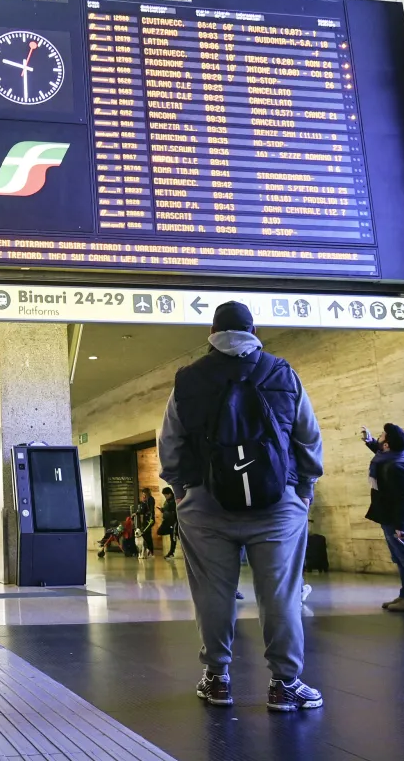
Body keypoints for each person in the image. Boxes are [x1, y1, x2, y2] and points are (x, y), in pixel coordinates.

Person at [159, 301, 324, 712]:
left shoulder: (188, 378)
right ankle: (284, 684)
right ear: (254, 331)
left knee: (213, 593)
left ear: (211, 334)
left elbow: (170, 441)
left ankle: (217, 679)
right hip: (277, 504)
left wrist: (180, 489)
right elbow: (307, 435)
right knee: (280, 594)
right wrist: (305, 487)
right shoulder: (282, 372)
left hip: (205, 505)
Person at [362, 423, 404, 613]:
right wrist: (370, 441)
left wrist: (400, 526)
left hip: (397, 520)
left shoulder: (395, 467)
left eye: (381, 437)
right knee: (399, 558)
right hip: (390, 517)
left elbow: (403, 500)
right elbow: (380, 452)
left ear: (387, 445)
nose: (379, 438)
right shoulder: (391, 459)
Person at [159, 487, 178, 559]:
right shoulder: (167, 501)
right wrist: (163, 510)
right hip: (168, 521)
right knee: (172, 536)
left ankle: (171, 552)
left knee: (174, 537)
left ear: (170, 494)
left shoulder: (174, 501)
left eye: (166, 495)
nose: (165, 497)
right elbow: (167, 509)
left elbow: (174, 510)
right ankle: (171, 552)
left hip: (174, 521)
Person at [137, 489, 156, 558]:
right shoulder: (145, 501)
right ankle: (148, 551)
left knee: (146, 534)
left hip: (149, 520)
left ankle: (150, 551)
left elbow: (151, 510)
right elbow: (143, 510)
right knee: (146, 535)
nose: (143, 495)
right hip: (146, 519)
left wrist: (151, 518)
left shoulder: (150, 499)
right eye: (142, 494)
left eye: (144, 493)